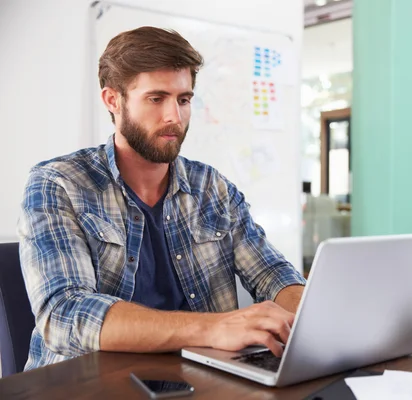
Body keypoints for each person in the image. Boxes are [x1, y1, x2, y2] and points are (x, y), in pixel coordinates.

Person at [17, 26, 305, 371]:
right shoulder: (59, 184)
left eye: (183, 100)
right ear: (113, 100)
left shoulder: (213, 188)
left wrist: (309, 315)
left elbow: (272, 273)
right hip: (87, 384)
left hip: (201, 378)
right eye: (156, 99)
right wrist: (213, 328)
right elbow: (64, 314)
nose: (174, 117)